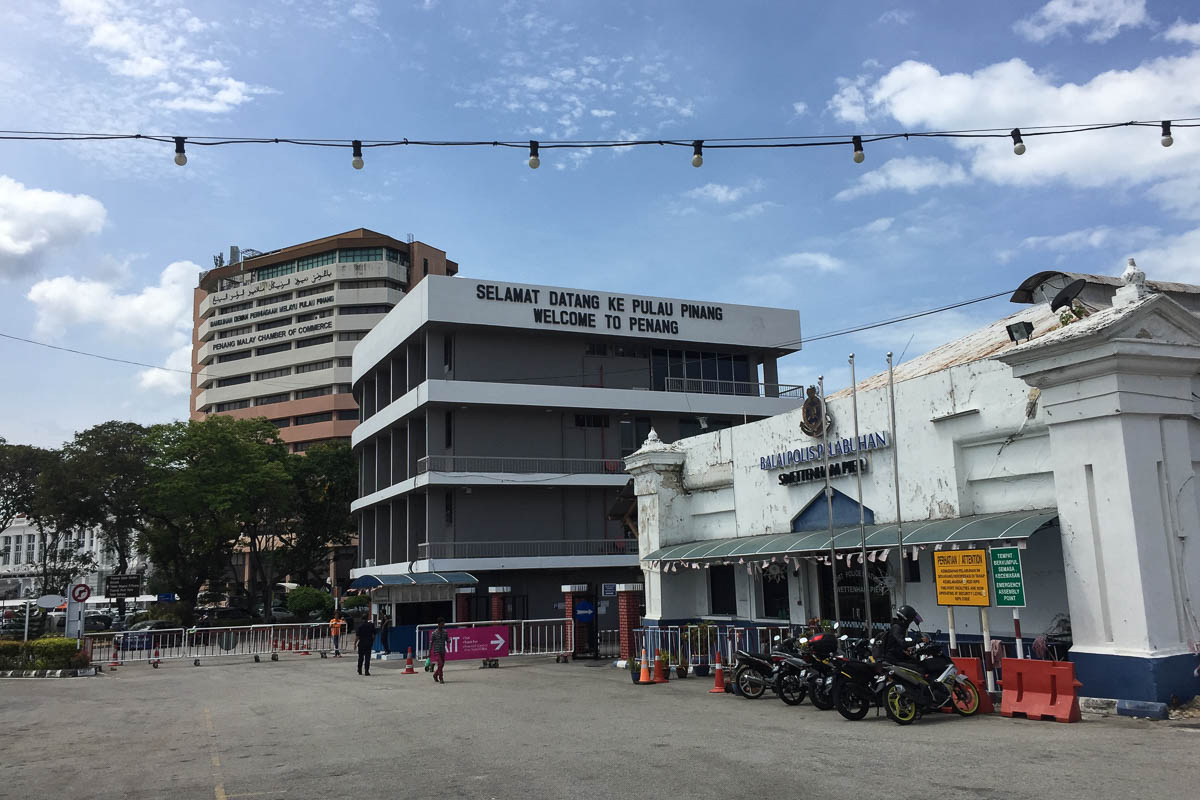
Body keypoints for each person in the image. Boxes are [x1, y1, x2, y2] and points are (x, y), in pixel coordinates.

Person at [429, 617, 449, 684]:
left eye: (443, 624)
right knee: (440, 664)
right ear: (438, 624)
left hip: (442, 651)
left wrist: (449, 640)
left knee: (442, 665)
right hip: (436, 651)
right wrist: (429, 651)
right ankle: (441, 678)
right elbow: (431, 642)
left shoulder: (445, 632)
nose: (443, 625)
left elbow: (447, 639)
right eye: (442, 624)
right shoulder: (434, 633)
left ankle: (435, 675)